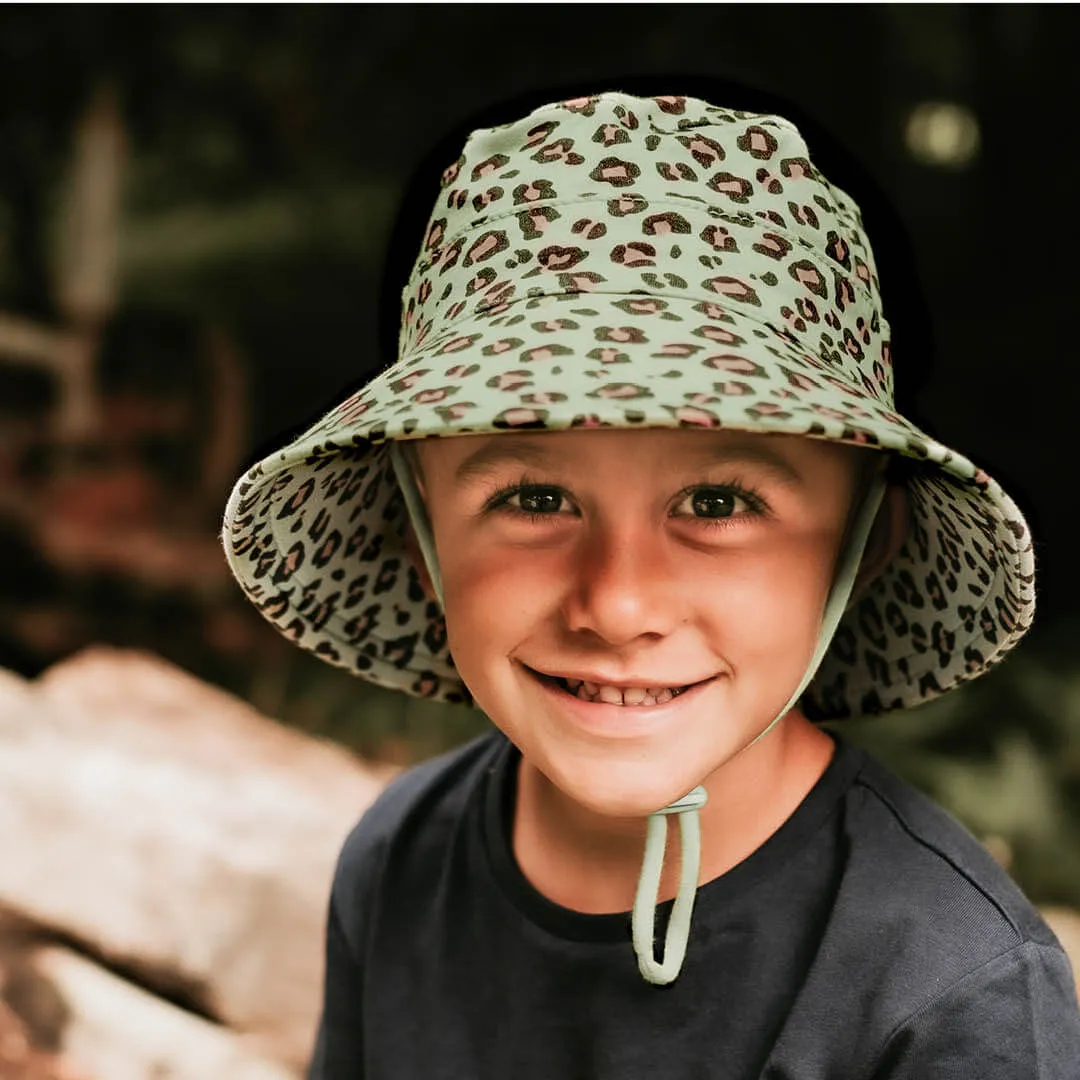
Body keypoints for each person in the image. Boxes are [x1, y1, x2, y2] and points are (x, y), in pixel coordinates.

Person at [222, 85, 1080, 1078]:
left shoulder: (948, 994)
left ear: (867, 540)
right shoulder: (402, 861)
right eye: (535, 500)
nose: (619, 604)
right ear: (419, 538)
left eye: (716, 504)